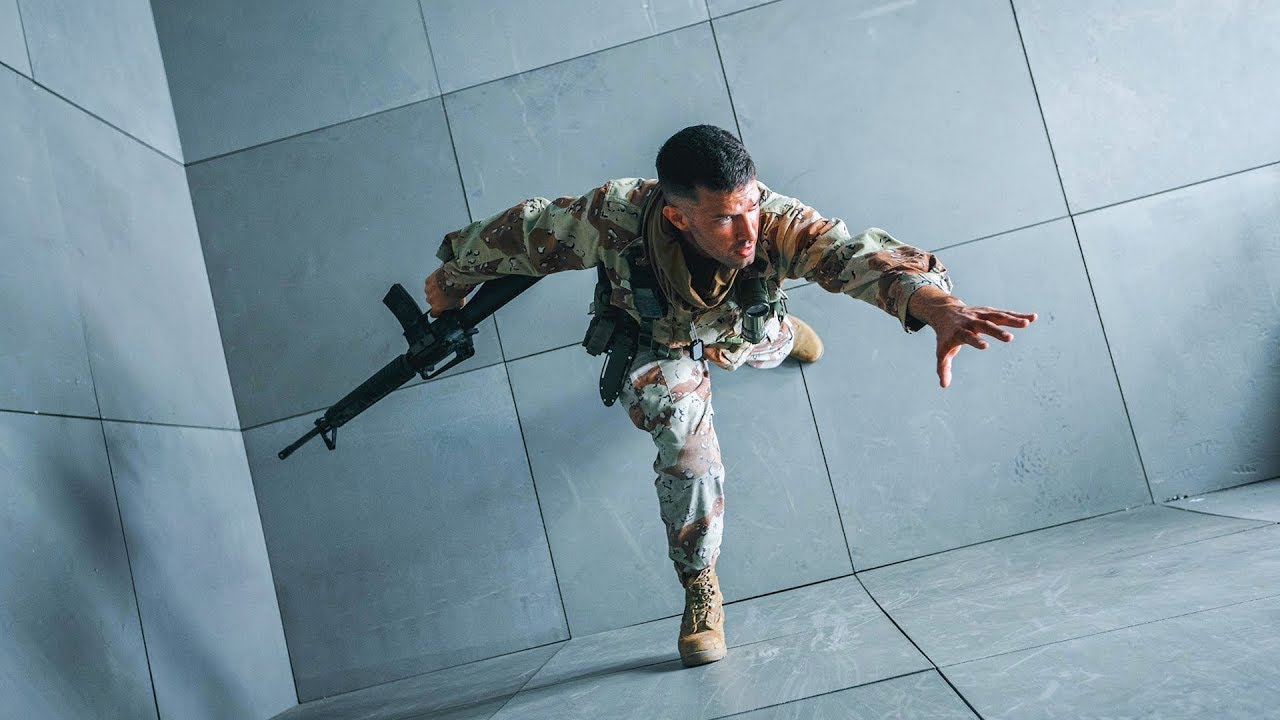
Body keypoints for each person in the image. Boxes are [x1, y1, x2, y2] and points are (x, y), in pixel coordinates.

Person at [424, 125, 1036, 667]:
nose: (747, 232)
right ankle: (700, 584)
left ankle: (782, 338)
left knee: (768, 339)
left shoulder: (774, 220)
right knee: (687, 454)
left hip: (740, 329)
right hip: (655, 343)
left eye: (749, 208)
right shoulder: (617, 214)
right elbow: (525, 233)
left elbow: (856, 257)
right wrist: (451, 278)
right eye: (723, 219)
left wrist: (939, 306)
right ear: (676, 215)